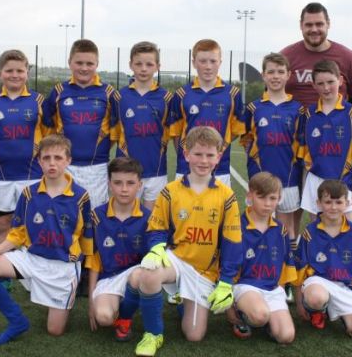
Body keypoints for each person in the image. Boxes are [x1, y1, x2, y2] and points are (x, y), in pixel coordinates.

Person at [0, 134, 91, 345]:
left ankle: (60, 301)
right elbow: (18, 233)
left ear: (68, 161)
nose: (52, 163)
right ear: (39, 161)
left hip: (62, 268)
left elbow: (87, 239)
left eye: (58, 158)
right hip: (31, 259)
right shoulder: (28, 193)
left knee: (55, 331)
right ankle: (17, 321)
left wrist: (88, 277)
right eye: (46, 158)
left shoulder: (81, 196)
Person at [134, 126, 242, 356]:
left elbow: (232, 242)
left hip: (204, 271)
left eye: (210, 155)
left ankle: (184, 299)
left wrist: (226, 281)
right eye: (198, 154)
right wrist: (156, 249)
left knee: (194, 335)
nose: (203, 160)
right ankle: (153, 333)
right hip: (177, 259)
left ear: (219, 157)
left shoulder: (227, 196)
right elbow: (157, 227)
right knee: (148, 274)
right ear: (186, 154)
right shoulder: (170, 191)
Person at [0, 49, 48, 290]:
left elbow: (48, 136)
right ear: (0, 73)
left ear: (27, 72)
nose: (15, 75)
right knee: (3, 224)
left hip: (33, 175)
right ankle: (2, 275)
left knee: (33, 224)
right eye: (9, 70)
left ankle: (34, 274)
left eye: (20, 70)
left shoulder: (39, 101)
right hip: (1, 176)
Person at [293, 179, 352, 338]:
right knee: (316, 298)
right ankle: (318, 310)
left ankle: (337, 311)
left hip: (345, 286)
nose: (333, 207)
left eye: (338, 202)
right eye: (328, 202)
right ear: (319, 203)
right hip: (318, 283)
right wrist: (299, 303)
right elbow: (300, 269)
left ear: (347, 203)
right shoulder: (310, 232)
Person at [43, 39, 115, 209]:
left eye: (89, 63)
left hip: (97, 167)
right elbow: (47, 127)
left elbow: (116, 129)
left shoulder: (108, 92)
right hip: (64, 165)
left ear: (97, 64)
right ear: (70, 62)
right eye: (79, 63)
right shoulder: (59, 91)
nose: (84, 68)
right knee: (64, 214)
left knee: (94, 215)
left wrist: (100, 148)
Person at [84, 157, 149, 341]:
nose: (124, 189)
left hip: (136, 277)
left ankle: (126, 316)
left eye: (130, 183)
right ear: (109, 184)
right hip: (109, 278)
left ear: (140, 185)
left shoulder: (149, 218)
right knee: (104, 317)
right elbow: (93, 260)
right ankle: (118, 307)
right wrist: (91, 300)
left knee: (141, 273)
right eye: (118, 183)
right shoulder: (97, 216)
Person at [227, 172, 296, 344]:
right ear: (250, 196)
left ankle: (267, 320)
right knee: (260, 315)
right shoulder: (237, 226)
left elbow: (285, 266)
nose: (267, 204)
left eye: (272, 198)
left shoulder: (281, 229)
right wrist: (228, 307)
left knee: (286, 336)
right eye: (261, 197)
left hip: (271, 288)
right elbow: (226, 266)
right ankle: (241, 314)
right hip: (245, 286)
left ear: (279, 199)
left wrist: (281, 292)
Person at [241, 52, 304, 240]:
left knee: (287, 228)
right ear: (263, 75)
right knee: (258, 225)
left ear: (288, 75)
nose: (275, 76)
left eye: (280, 72)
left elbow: (302, 144)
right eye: (271, 72)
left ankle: (288, 259)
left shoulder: (298, 109)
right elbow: (246, 140)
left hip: (289, 178)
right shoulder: (254, 108)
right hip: (259, 176)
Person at [168, 39, 245, 187]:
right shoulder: (182, 94)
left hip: (220, 169)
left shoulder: (233, 94)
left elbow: (235, 131)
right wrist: (189, 155)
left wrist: (218, 148)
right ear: (194, 63)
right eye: (203, 61)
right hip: (186, 168)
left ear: (220, 62)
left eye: (213, 61)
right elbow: (176, 133)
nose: (208, 66)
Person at [299, 60, 352, 222]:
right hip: (315, 180)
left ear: (340, 80)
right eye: (320, 83)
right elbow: (303, 153)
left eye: (330, 82)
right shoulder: (309, 114)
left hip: (343, 180)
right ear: (314, 85)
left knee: (347, 229)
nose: (326, 87)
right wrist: (305, 184)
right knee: (318, 230)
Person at [110, 41, 173, 210]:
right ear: (131, 65)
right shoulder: (118, 97)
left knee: (153, 219)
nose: (143, 69)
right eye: (138, 64)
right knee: (126, 216)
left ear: (158, 66)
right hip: (126, 171)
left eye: (149, 64)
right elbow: (113, 133)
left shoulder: (167, 98)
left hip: (156, 171)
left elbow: (172, 132)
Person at [280, 2, 352, 111]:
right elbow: (271, 92)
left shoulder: (349, 58)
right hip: (293, 122)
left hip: (335, 122)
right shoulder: (284, 57)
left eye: (319, 24)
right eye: (309, 25)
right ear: (301, 25)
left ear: (328, 24)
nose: (314, 29)